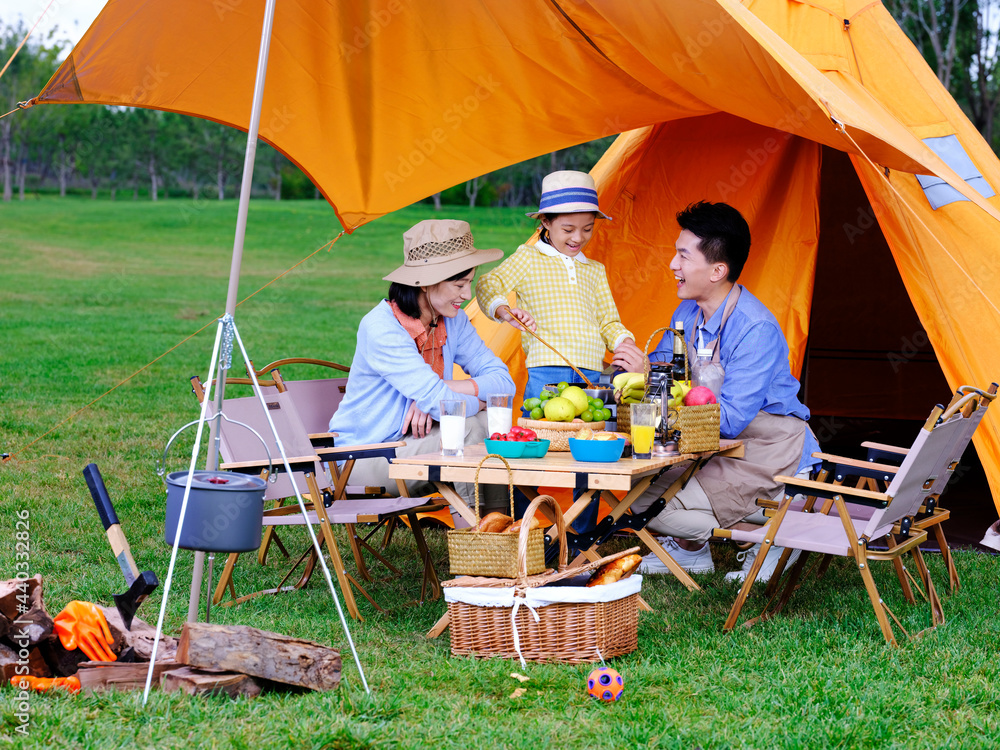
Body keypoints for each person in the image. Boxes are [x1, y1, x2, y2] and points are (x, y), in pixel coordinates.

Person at [625, 201, 822, 583]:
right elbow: (665, 373)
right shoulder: (685, 315)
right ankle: (694, 550)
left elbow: (729, 420)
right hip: (709, 442)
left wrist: (651, 378)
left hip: (766, 448)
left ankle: (778, 521)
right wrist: (638, 370)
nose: (672, 265)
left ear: (718, 270)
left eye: (683, 255)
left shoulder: (755, 328)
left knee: (651, 506)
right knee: (628, 487)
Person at [329, 219, 516, 518]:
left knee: (487, 423)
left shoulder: (452, 320)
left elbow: (505, 383)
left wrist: (448, 391)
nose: (467, 295)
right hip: (361, 460)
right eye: (459, 284)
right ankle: (482, 537)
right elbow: (441, 403)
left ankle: (499, 533)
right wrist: (471, 400)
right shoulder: (382, 328)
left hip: (411, 445)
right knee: (471, 427)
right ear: (427, 282)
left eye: (468, 283)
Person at [475, 170, 645, 404]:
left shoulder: (594, 270)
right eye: (568, 230)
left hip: (591, 372)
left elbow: (608, 322)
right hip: (546, 368)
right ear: (545, 221)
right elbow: (487, 283)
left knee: (589, 431)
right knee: (543, 429)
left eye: (587, 229)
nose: (578, 237)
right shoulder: (529, 258)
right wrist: (504, 310)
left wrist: (623, 342)